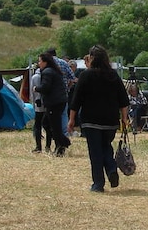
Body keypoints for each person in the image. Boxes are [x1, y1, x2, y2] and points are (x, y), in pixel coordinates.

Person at [68, 45, 129, 193]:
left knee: (95, 152)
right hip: (110, 120)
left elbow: (76, 101)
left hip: (91, 120)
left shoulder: (85, 76)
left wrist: (71, 120)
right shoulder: (113, 76)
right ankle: (111, 169)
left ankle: (98, 183)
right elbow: (124, 100)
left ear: (92, 58)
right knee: (106, 147)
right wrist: (124, 119)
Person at [35, 52, 71, 156]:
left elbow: (45, 87)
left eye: (40, 61)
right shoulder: (53, 70)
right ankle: (63, 142)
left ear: (45, 62)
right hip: (59, 101)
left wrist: (36, 88)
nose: (39, 63)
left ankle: (61, 146)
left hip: (54, 102)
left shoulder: (47, 72)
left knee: (55, 126)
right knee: (47, 123)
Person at [46, 47, 75, 139]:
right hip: (63, 94)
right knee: (63, 115)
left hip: (51, 95)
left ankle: (53, 135)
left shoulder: (48, 63)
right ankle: (64, 134)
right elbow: (72, 77)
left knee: (52, 117)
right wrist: (68, 88)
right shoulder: (64, 63)